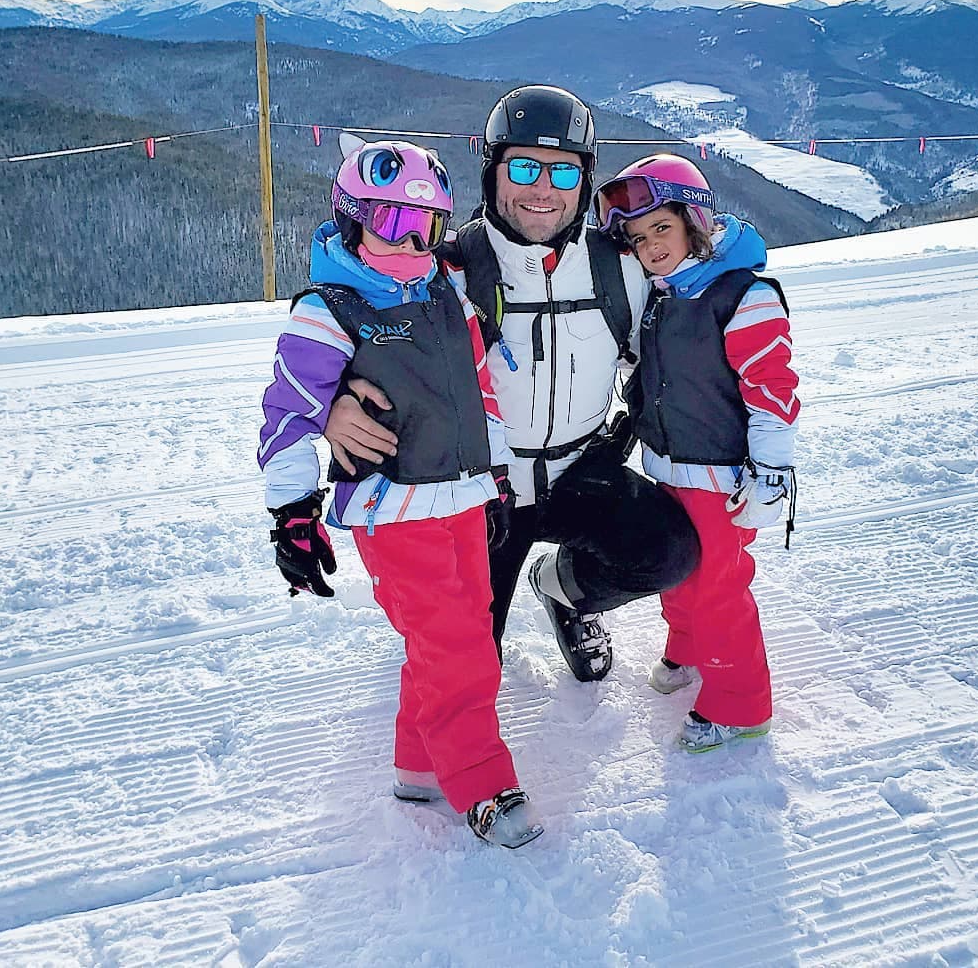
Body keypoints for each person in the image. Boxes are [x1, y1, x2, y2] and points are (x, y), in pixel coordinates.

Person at [323, 87, 700, 683]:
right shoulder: (444, 269)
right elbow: (339, 315)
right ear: (492, 172)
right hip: (484, 495)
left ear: (585, 181)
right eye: (523, 167)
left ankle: (564, 591)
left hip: (580, 474)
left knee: (669, 551)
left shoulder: (621, 266)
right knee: (470, 663)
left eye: (563, 172)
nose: (542, 189)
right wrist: (333, 401)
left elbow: (698, 330)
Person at [257, 139, 542, 848]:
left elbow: (483, 395)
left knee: (460, 632)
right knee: (458, 651)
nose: (411, 240)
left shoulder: (448, 296)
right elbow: (286, 416)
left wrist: (497, 475)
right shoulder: (330, 310)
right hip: (394, 507)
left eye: (427, 226)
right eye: (391, 222)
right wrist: (293, 514)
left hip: (463, 498)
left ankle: (419, 766)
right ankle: (480, 783)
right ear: (353, 218)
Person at [594, 153, 800, 753]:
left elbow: (774, 393)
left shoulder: (743, 295)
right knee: (679, 568)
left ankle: (740, 705)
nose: (651, 246)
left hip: (721, 473)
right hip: (668, 463)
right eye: (637, 237)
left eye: (662, 227)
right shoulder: (665, 294)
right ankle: (687, 648)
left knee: (717, 586)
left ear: (695, 219)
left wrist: (770, 472)